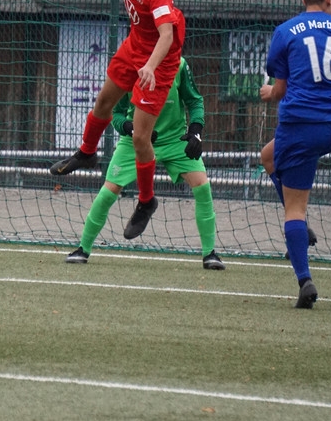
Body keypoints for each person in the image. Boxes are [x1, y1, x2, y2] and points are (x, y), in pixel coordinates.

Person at [49, 0, 185, 239]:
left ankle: (146, 201)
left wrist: (150, 67)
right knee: (104, 102)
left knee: (140, 138)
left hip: (160, 61)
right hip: (135, 46)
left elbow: (167, 35)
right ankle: (87, 152)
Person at [259, 0, 331, 308]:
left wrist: (269, 92)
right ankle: (301, 229)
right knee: (268, 157)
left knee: (294, 208)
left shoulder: (286, 31)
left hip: (299, 125)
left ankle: (304, 280)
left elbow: (280, 90)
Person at [65, 57, 225, 270]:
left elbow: (195, 101)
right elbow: (116, 113)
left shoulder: (179, 65)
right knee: (108, 192)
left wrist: (196, 131)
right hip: (135, 140)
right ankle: (82, 249)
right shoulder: (131, 65)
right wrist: (131, 128)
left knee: (202, 186)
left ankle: (209, 254)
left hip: (175, 140)